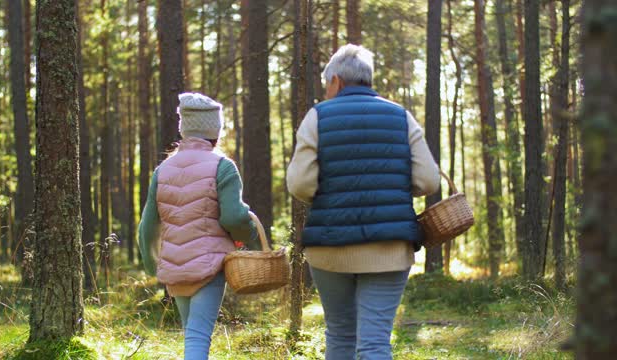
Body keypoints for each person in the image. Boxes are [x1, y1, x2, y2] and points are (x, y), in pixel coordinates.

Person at [287, 44, 440, 359]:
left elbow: (300, 183)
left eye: (327, 85)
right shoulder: (401, 116)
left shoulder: (317, 116)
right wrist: (392, 191)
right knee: (374, 344)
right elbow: (428, 181)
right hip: (389, 249)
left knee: (340, 335)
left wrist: (328, 196)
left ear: (337, 82)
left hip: (329, 246)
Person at [138, 92, 260, 360]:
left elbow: (147, 225)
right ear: (214, 131)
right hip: (209, 266)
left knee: (191, 332)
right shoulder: (223, 167)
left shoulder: (163, 170)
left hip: (174, 266)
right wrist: (251, 239)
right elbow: (234, 219)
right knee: (198, 336)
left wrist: (153, 264)